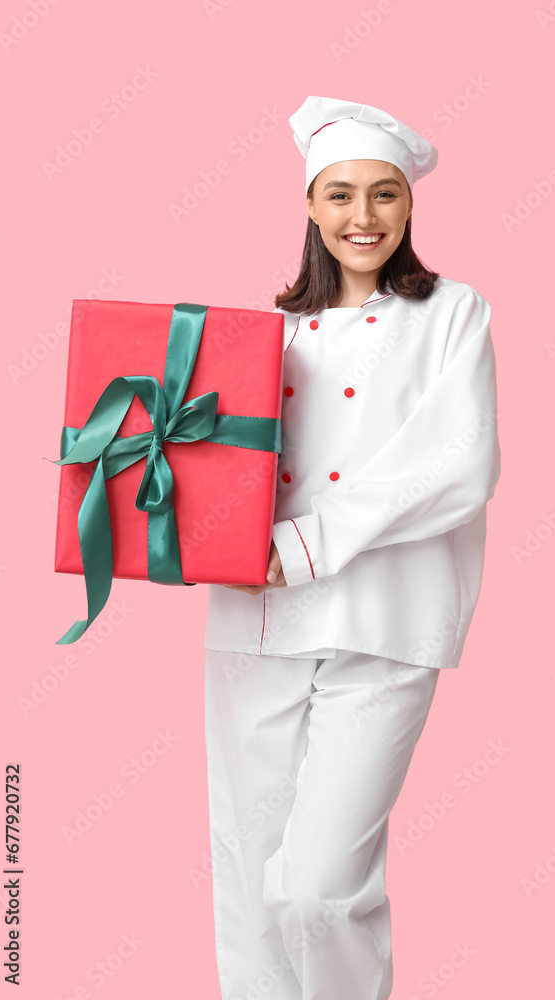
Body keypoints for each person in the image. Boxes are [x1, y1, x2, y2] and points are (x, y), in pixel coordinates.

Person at [203, 95, 501, 1000]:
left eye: (382, 195)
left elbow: (459, 464)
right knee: (250, 884)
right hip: (251, 623)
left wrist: (302, 546)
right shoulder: (264, 331)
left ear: (409, 205)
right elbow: (213, 470)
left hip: (386, 622)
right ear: (308, 206)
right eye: (338, 196)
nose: (360, 218)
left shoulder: (452, 313)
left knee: (319, 888)